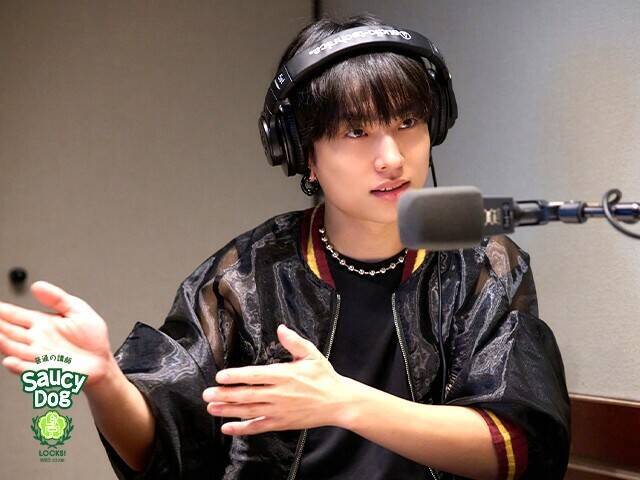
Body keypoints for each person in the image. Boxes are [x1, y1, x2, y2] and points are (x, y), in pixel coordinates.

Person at [0, 14, 570, 480]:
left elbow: (518, 447)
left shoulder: (482, 264)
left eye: (408, 122)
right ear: (304, 155)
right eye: (356, 131)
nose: (392, 158)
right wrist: (105, 380)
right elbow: (169, 448)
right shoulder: (246, 275)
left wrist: (343, 401)